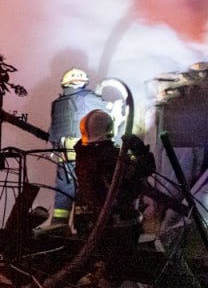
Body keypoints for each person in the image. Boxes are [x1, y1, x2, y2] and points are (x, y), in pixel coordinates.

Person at [72, 108, 154, 277]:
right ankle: (104, 287)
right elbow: (142, 171)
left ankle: (95, 282)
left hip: (90, 223)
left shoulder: (83, 154)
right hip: (118, 226)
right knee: (115, 271)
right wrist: (140, 151)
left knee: (96, 264)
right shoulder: (110, 158)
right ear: (109, 128)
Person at [48, 68, 110, 228]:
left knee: (64, 190)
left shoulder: (58, 103)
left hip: (63, 155)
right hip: (82, 154)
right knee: (85, 189)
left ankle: (58, 225)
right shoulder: (88, 98)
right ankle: (83, 226)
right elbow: (105, 117)